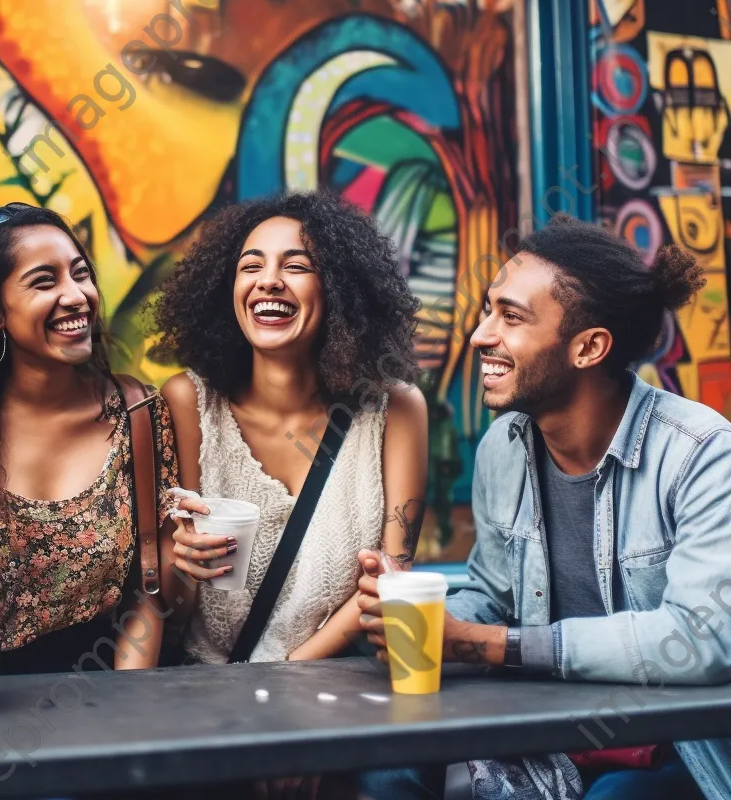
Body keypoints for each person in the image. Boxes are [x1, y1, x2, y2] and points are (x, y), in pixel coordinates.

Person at [357, 215, 731, 800]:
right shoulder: (502, 449)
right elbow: (495, 595)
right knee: (387, 763)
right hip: (544, 731)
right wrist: (414, 607)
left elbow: (703, 639)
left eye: (510, 317)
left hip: (674, 745)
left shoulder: (700, 454)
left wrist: (489, 644)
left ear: (588, 348)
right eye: (487, 311)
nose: (480, 335)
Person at [152, 191, 429, 667]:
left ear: (339, 289)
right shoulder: (187, 402)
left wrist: (282, 679)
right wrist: (182, 564)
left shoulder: (396, 410)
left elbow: (391, 577)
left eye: (297, 267)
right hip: (202, 700)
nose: (269, 282)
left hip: (328, 699)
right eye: (250, 266)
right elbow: (168, 607)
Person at [0, 203, 181, 677]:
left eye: (80, 274)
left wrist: (133, 711)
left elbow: (148, 593)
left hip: (104, 700)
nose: (76, 296)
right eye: (44, 281)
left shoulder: (139, 414)